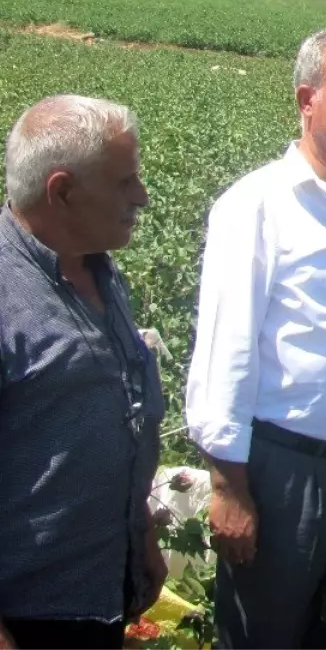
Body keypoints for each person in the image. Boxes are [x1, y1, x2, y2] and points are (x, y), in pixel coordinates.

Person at [184, 25, 326, 650]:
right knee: (264, 637)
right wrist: (229, 487)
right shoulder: (257, 206)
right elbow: (225, 350)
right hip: (281, 472)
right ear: (307, 99)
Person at [0, 95, 165, 650]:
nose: (142, 196)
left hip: (102, 587)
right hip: (31, 610)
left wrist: (140, 535)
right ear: (63, 191)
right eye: (124, 182)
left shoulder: (99, 269)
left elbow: (118, 417)